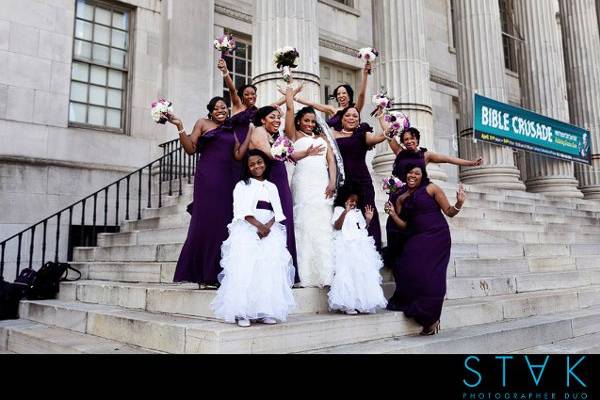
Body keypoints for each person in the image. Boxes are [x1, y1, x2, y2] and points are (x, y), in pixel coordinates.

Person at [166, 97, 252, 289]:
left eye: (224, 107)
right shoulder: (203, 123)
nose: (221, 110)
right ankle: (201, 275)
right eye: (216, 108)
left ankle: (216, 274)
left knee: (222, 224)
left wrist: (249, 135)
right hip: (207, 178)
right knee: (204, 223)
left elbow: (238, 155)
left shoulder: (231, 129)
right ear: (211, 111)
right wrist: (179, 126)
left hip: (227, 179)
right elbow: (190, 149)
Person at [211, 150, 296, 328]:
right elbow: (241, 211)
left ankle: (263, 310)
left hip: (269, 230)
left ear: (264, 163)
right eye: (252, 164)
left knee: (266, 270)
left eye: (259, 162)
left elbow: (278, 211)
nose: (257, 166)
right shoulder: (242, 185)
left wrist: (268, 227)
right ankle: (243, 312)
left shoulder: (272, 186)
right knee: (247, 270)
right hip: (248, 230)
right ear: (247, 168)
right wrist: (259, 226)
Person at [383, 126, 483, 268]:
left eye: (412, 138)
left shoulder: (425, 156)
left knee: (410, 228)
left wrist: (470, 163)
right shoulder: (399, 152)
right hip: (398, 194)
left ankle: (410, 262)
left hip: (415, 195)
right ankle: (396, 262)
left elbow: (448, 159)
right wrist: (381, 111)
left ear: (417, 139)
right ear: (403, 142)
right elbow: (387, 133)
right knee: (394, 225)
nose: (409, 141)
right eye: (406, 139)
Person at [386, 164, 466, 336]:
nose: (413, 175)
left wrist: (459, 202)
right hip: (416, 236)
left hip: (437, 236)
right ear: (405, 174)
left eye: (417, 172)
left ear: (423, 175)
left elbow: (449, 212)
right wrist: (393, 213)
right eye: (410, 172)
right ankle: (418, 307)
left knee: (433, 277)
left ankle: (432, 318)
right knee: (408, 267)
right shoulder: (401, 197)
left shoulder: (432, 188)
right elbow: (404, 225)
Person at [283, 87, 337, 288]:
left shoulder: (323, 139)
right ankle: (303, 274)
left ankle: (324, 274)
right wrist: (290, 93)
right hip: (303, 182)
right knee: (303, 222)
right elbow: (289, 111)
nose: (310, 124)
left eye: (313, 121)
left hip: (321, 182)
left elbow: (331, 161)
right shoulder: (293, 135)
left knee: (322, 222)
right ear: (299, 121)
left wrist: (332, 181)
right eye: (306, 120)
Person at [332, 106, 393, 251]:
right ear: (341, 118)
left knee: (368, 211)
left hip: (362, 181)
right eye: (348, 115)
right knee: (342, 213)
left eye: (355, 116)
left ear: (359, 120)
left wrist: (381, 115)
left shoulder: (362, 134)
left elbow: (384, 135)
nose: (351, 118)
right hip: (342, 183)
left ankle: (372, 251)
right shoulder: (333, 134)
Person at [250, 106, 299, 277]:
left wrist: (306, 152)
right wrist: (284, 150)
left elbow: (284, 154)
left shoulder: (275, 135)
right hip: (268, 180)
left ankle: (285, 270)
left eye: (279, 117)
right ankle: (269, 271)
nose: (278, 120)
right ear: (263, 119)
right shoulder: (258, 131)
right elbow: (269, 154)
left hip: (280, 180)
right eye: (272, 117)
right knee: (273, 218)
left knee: (284, 218)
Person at [329, 183, 388, 315]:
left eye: (356, 201)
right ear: (345, 198)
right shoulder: (339, 209)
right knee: (348, 273)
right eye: (351, 200)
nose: (354, 203)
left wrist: (367, 220)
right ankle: (348, 303)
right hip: (345, 245)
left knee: (361, 274)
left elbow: (361, 228)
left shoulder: (357, 212)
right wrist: (345, 211)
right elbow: (337, 226)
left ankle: (361, 303)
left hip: (359, 245)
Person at [293, 63, 372, 130]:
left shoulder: (355, 109)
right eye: (338, 94)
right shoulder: (332, 109)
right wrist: (292, 96)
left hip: (352, 140)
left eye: (344, 93)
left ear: (349, 96)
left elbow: (361, 95)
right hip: (337, 142)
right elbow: (312, 104)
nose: (341, 96)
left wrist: (365, 74)